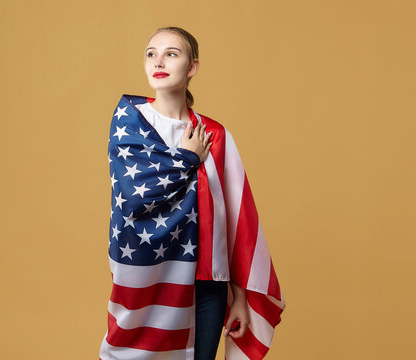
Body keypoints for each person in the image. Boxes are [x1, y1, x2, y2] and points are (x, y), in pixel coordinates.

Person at [100, 27, 284, 360]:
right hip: (152, 279)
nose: (159, 61)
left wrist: (239, 297)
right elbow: (134, 199)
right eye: (151, 53)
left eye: (172, 53)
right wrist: (186, 158)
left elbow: (237, 219)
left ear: (192, 67)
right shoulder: (129, 123)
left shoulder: (213, 134)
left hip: (206, 284)